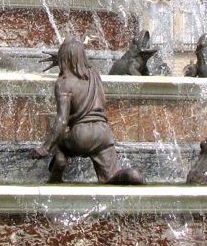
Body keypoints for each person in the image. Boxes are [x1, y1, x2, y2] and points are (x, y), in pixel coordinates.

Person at [29, 39, 144, 185]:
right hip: (103, 135)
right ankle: (132, 175)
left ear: (64, 58)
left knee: (59, 139)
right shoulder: (93, 73)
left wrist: (44, 147)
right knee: (110, 178)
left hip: (80, 136)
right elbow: (81, 62)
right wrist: (63, 57)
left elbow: (62, 120)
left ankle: (56, 175)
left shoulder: (64, 83)